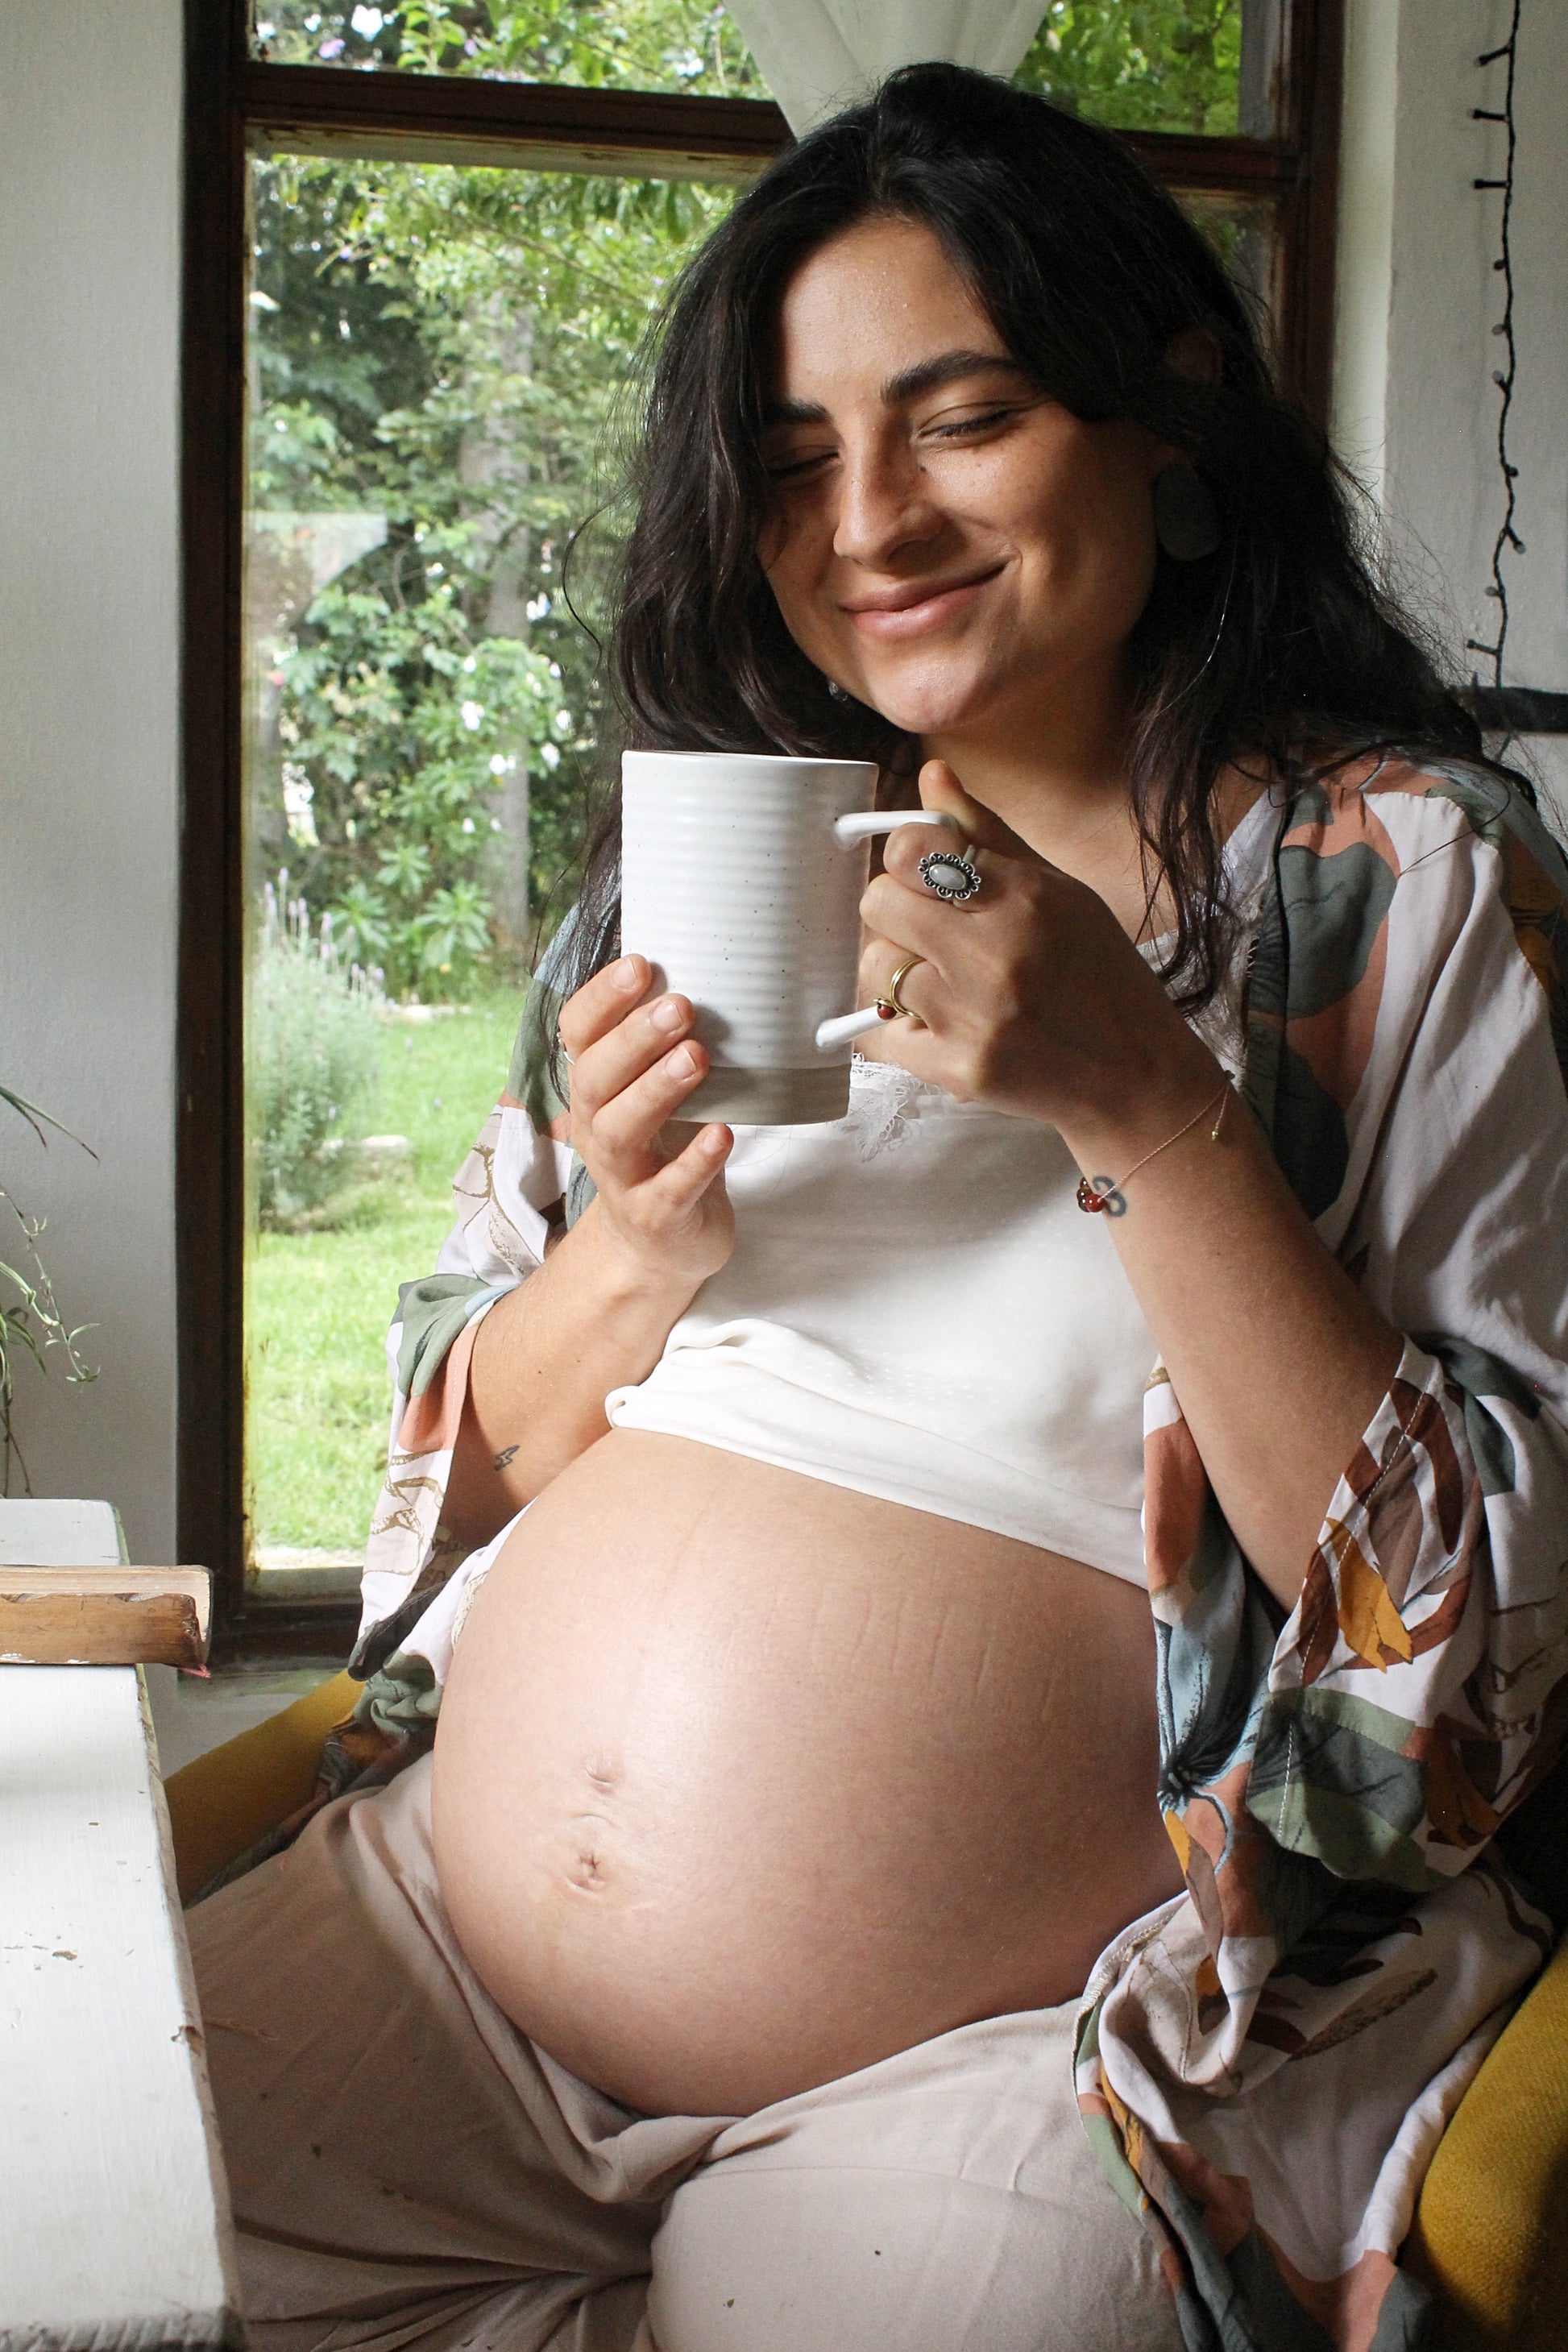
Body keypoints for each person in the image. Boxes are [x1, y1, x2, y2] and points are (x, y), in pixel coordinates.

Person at [189, 64, 1568, 2352]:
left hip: (1010, 2049)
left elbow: (1477, 1667)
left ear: (1166, 426)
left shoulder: (1408, 885)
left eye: (962, 416)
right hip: (450, 1952)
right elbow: (449, 1472)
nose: (872, 520)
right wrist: (629, 1247)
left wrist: (1140, 1093)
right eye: (796, 458)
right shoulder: (699, 885)